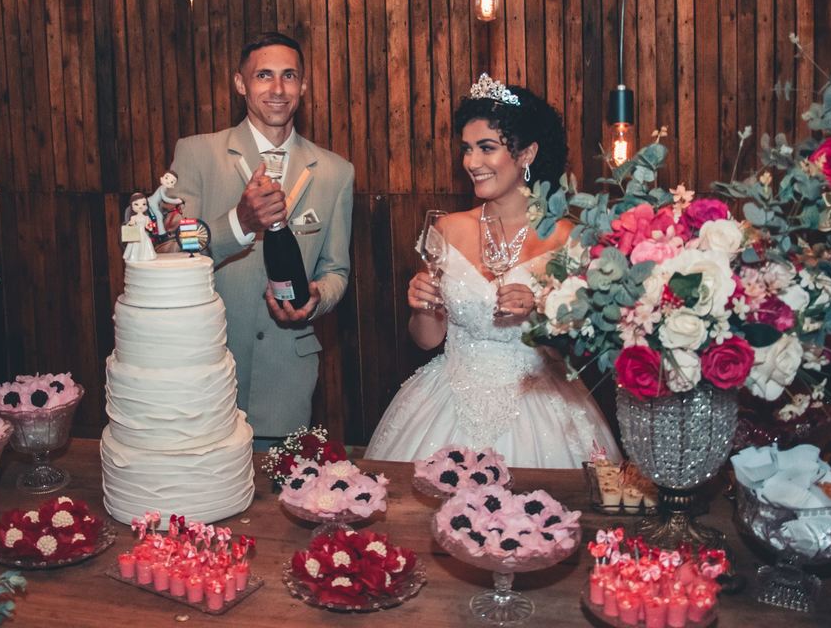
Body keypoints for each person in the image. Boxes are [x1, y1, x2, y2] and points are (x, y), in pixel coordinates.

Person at [365, 75, 620, 468]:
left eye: (487, 148)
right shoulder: (447, 229)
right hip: (446, 399)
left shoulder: (567, 239)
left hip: (537, 406)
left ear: (527, 153)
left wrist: (541, 313)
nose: (472, 163)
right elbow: (427, 339)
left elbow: (582, 348)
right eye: (467, 149)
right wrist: (420, 307)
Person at [169, 32, 354, 442]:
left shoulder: (336, 172)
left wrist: (317, 297)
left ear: (303, 86)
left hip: (286, 380)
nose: (277, 89)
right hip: (207, 374)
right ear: (241, 84)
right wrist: (238, 223)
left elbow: (336, 270)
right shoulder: (197, 154)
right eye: (263, 75)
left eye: (289, 76)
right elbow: (170, 246)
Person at [122, 192, 157, 263]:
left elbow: (148, 226)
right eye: (136, 204)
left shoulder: (146, 217)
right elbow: (131, 224)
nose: (140, 206)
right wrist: (130, 224)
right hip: (136, 232)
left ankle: (145, 256)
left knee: (146, 243)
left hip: (143, 233)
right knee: (135, 244)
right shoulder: (133, 217)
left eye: (144, 204)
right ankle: (134, 256)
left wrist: (150, 227)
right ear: (132, 206)